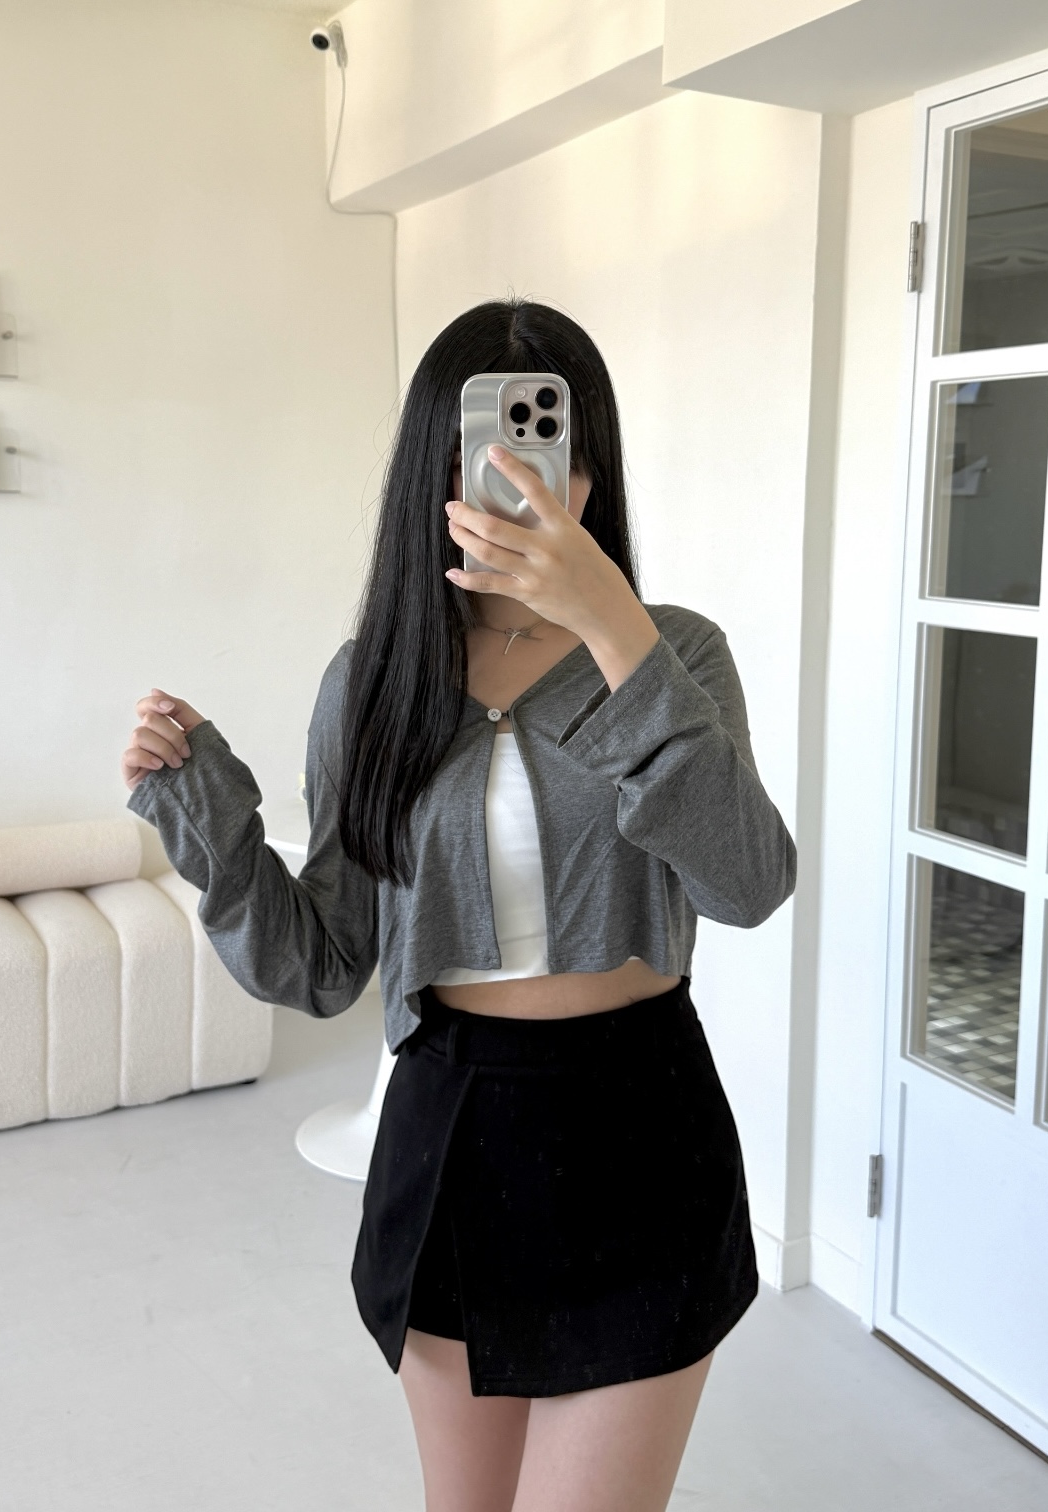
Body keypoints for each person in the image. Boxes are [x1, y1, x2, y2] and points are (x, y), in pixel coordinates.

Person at [121, 299, 795, 1512]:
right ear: (430, 472)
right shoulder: (374, 683)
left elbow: (747, 883)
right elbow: (324, 963)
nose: (517, 479)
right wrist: (205, 820)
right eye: (480, 449)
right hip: (451, 1130)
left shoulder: (674, 653)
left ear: (591, 470)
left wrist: (611, 627)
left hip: (640, 1129)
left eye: (551, 444)